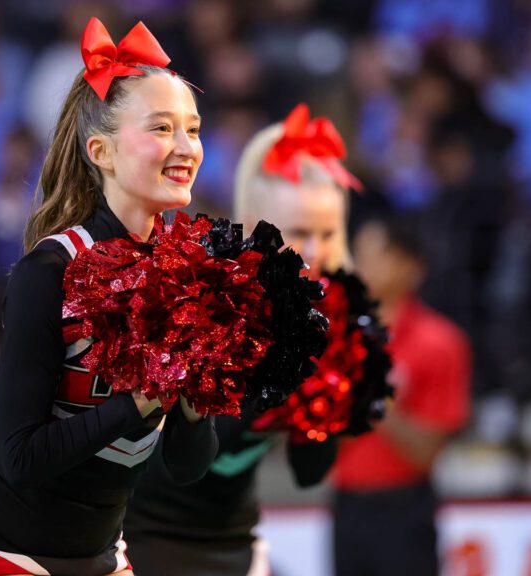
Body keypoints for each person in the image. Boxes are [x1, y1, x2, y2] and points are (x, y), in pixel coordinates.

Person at [0, 18, 218, 576]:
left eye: (192, 129)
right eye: (162, 128)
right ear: (100, 150)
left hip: (97, 557)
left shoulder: (188, 279)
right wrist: (139, 401)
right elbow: (21, 458)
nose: (185, 147)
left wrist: (196, 403)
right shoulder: (49, 269)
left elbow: (187, 468)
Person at [124, 104, 354, 575]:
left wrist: (326, 388)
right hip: (139, 533)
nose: (314, 251)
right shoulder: (208, 308)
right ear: (254, 227)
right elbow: (191, 459)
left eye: (327, 233)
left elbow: (310, 473)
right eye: (299, 232)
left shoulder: (324, 324)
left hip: (234, 537)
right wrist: (288, 370)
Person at [329, 218, 471, 576]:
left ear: (410, 267)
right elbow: (311, 440)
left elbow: (427, 451)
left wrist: (374, 397)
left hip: (405, 508)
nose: (359, 267)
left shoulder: (440, 343)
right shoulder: (334, 337)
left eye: (374, 256)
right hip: (346, 506)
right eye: (357, 255)